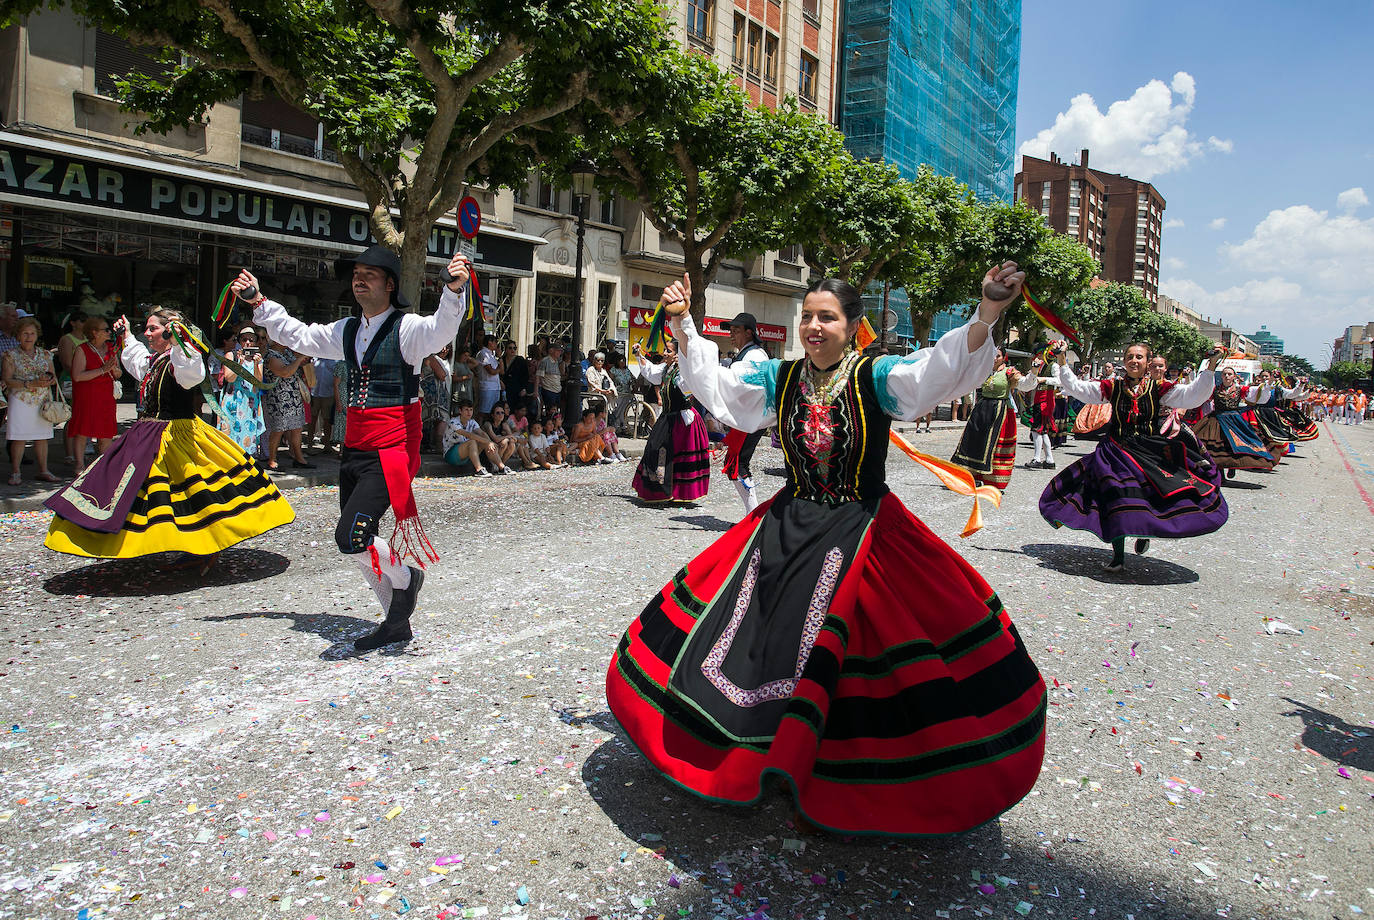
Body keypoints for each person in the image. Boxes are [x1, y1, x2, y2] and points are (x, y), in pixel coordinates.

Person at [607, 265, 1046, 836]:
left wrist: (987, 311)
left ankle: (833, 774)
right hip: (789, 524)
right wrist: (683, 320)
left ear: (852, 325)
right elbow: (719, 393)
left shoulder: (879, 376)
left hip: (860, 527)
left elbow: (939, 371)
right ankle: (754, 755)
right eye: (807, 317)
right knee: (759, 639)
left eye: (827, 318)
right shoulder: (778, 378)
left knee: (850, 653)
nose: (814, 327)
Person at [236, 246, 471, 652]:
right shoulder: (345, 329)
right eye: (357, 273)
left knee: (351, 536)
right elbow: (298, 333)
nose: (359, 279)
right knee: (362, 544)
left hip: (392, 448)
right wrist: (259, 302)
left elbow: (442, 329)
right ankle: (396, 622)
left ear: (390, 284)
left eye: (370, 274)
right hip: (356, 446)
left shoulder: (409, 329)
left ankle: (408, 578)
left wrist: (453, 289)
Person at [44, 308, 293, 566]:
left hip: (177, 435)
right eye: (147, 328)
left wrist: (180, 342)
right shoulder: (155, 361)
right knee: (142, 491)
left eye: (153, 329)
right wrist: (127, 335)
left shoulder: (183, 358)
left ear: (170, 331)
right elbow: (137, 361)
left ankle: (204, 546)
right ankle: (154, 541)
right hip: (147, 434)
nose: (147, 334)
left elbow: (192, 375)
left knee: (192, 495)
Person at [1039, 341, 1229, 573]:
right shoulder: (1111, 387)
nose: (1134, 361)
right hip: (1114, 452)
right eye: (1130, 356)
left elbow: (1193, 396)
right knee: (1115, 497)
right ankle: (1118, 556)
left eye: (1139, 357)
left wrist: (1210, 366)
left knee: (1148, 497)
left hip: (1147, 452)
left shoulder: (1160, 388)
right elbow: (1079, 389)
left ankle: (1143, 531)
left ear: (1148, 363)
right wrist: (1061, 360)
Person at [630, 338, 710, 503]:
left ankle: (676, 492)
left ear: (677, 355)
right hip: (668, 417)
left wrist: (685, 368)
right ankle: (659, 490)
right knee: (654, 448)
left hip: (683, 420)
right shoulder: (667, 369)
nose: (664, 353)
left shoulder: (682, 372)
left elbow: (689, 390)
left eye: (669, 351)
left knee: (678, 456)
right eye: (665, 350)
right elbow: (651, 373)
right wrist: (638, 355)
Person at [950, 347, 1033, 489]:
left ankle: (994, 481)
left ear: (1004, 358)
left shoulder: (1009, 372)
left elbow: (1025, 385)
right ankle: (971, 476)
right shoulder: (984, 370)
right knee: (973, 441)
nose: (994, 358)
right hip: (982, 409)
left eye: (998, 356)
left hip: (999, 411)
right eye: (993, 355)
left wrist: (1035, 372)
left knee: (994, 445)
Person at [719, 312, 771, 512]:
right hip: (748, 419)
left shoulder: (754, 355)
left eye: (736, 331)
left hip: (752, 419)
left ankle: (753, 516)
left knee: (737, 466)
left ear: (749, 333)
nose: (732, 335)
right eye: (730, 331)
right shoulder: (748, 354)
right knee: (735, 465)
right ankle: (753, 514)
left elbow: (745, 385)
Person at [1192, 366, 1280, 477]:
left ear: (1234, 376)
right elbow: (1201, 396)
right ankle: (1220, 473)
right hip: (1216, 419)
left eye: (1229, 374)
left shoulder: (1241, 389)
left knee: (1234, 443)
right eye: (1224, 374)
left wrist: (1270, 381)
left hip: (1233, 418)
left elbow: (1258, 392)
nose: (1226, 376)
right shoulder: (1215, 389)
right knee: (1216, 445)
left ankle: (1232, 466)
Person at [3, 317, 59, 484]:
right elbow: (7, 380)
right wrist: (29, 383)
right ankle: (15, 472)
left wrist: (48, 380)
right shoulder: (10, 355)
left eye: (32, 333)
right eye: (25, 333)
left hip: (41, 401)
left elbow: (54, 377)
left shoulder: (45, 354)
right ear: (18, 335)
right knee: (19, 437)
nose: (29, 337)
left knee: (42, 436)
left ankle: (43, 470)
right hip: (20, 400)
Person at [67, 315, 122, 477]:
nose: (109, 332)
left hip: (106, 396)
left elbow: (117, 373)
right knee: (83, 430)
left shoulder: (111, 349)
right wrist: (103, 370)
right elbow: (77, 376)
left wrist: (114, 371)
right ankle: (79, 464)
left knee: (106, 432)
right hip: (87, 396)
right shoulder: (82, 349)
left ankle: (103, 465)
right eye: (105, 329)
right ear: (94, 332)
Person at [260, 332, 314, 470]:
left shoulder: (287, 354)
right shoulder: (271, 356)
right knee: (278, 430)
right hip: (279, 398)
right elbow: (285, 372)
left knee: (297, 428)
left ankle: (299, 458)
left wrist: (303, 359)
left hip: (294, 397)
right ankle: (272, 459)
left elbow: (299, 367)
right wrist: (299, 359)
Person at [217, 326, 267, 455]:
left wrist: (256, 364)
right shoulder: (231, 355)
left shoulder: (258, 358)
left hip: (249, 402)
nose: (248, 342)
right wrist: (239, 363)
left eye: (251, 339)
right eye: (244, 339)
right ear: (239, 341)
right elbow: (230, 378)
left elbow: (258, 381)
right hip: (233, 400)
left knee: (248, 435)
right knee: (230, 435)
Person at [56, 309, 88, 465]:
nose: (84, 323)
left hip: (87, 380)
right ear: (72, 323)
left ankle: (79, 452)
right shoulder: (67, 339)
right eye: (81, 320)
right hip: (71, 380)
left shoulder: (88, 338)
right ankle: (69, 454)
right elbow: (67, 363)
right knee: (71, 416)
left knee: (83, 416)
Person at [1024, 355, 1062, 469]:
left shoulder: (1053, 365)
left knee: (1037, 430)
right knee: (1043, 431)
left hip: (1045, 400)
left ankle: (1037, 458)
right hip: (1039, 399)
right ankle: (1049, 460)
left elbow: (1059, 381)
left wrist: (1044, 379)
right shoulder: (1040, 365)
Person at [420, 345, 452, 451]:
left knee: (425, 418)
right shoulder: (430, 357)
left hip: (425, 393)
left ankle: (425, 444)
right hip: (433, 395)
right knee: (441, 417)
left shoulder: (420, 356)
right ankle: (437, 445)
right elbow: (442, 375)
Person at [308, 356, 339, 450]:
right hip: (314, 393)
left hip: (328, 394)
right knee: (312, 419)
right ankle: (309, 443)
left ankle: (327, 444)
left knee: (327, 420)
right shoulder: (314, 359)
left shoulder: (335, 360)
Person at [475, 334, 503, 418]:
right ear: (490, 342)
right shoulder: (483, 353)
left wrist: (500, 357)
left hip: (495, 387)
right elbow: (491, 371)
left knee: (493, 411)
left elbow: (502, 371)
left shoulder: (492, 355)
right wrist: (498, 370)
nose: (496, 344)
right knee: (483, 411)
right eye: (495, 342)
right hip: (487, 387)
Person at [537, 342, 563, 415]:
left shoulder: (557, 361)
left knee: (556, 410)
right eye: (558, 351)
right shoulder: (545, 361)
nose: (559, 353)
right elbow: (538, 376)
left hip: (557, 390)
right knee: (550, 410)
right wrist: (536, 391)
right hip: (548, 390)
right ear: (551, 350)